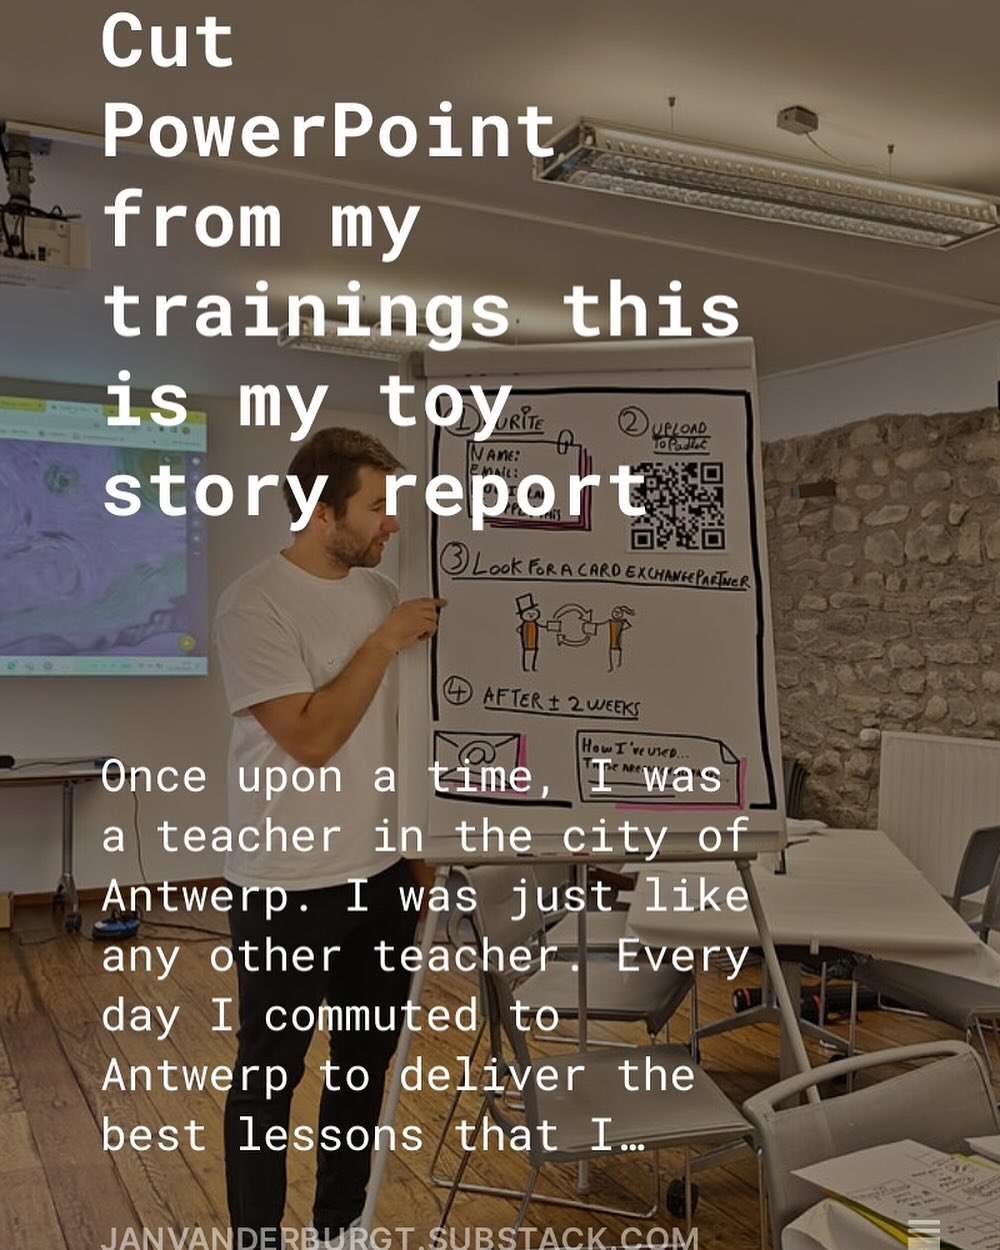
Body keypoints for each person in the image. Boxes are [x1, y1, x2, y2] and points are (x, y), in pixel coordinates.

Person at [213, 426, 443, 1247]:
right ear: (321, 512)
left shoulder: (382, 594)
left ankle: (338, 1229)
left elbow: (402, 733)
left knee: (363, 1067)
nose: (392, 523)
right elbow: (310, 737)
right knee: (269, 1076)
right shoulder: (253, 605)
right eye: (376, 507)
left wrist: (418, 853)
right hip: (285, 885)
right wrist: (382, 643)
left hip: (382, 877)